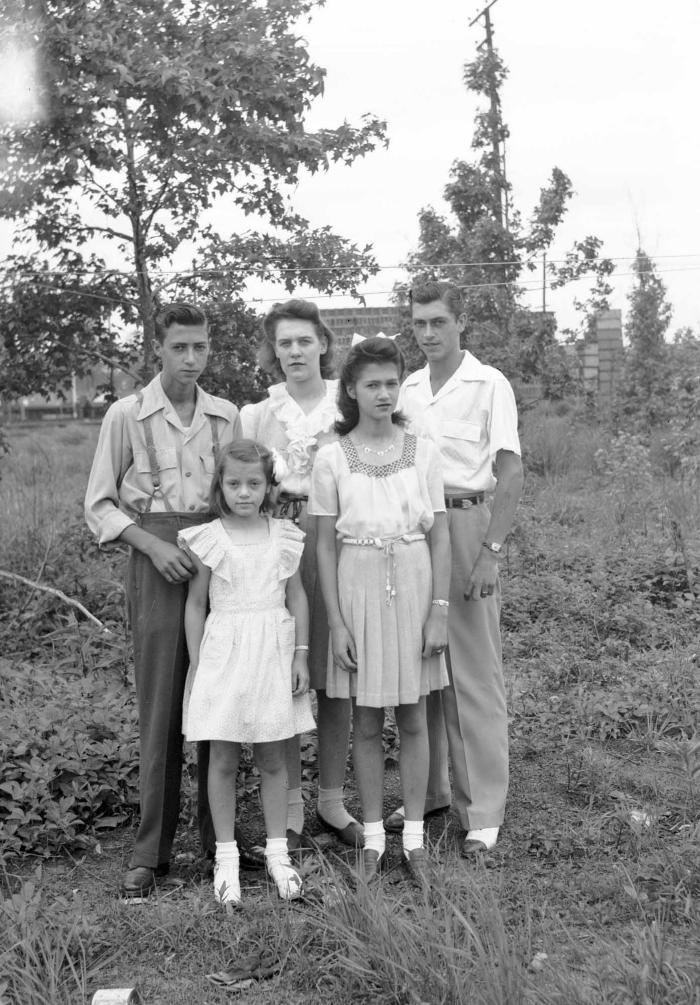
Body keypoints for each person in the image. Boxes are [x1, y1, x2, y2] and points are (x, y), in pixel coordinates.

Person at [84, 302, 242, 898]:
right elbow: (100, 504)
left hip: (215, 559)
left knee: (219, 698)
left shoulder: (226, 417)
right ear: (158, 348)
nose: (191, 359)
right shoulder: (127, 415)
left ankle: (218, 841)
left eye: (200, 347)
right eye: (180, 347)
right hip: (155, 562)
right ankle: (151, 850)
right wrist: (151, 545)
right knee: (160, 705)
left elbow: (241, 492)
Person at [385, 280, 524, 857]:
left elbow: (510, 472)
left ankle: (483, 807)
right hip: (414, 530)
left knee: (473, 670)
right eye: (419, 324)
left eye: (438, 322)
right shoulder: (408, 388)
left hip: (467, 526)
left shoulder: (489, 384)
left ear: (460, 322)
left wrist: (491, 551)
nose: (428, 334)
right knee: (423, 662)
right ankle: (435, 789)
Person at [309, 337, 451, 883]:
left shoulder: (423, 450)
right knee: (365, 719)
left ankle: (413, 837)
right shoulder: (331, 457)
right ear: (350, 390)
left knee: (413, 714)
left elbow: (439, 537)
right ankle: (371, 836)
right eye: (372, 384)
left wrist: (438, 608)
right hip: (358, 583)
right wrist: (338, 622)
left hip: (414, 579)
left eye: (392, 382)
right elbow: (324, 545)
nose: (384, 393)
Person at [241, 299, 362, 850]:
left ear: (323, 344)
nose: (294, 351)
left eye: (304, 341)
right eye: (284, 343)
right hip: (280, 544)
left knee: (337, 676)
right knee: (284, 676)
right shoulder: (257, 414)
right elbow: (241, 485)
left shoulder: (349, 402)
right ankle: (288, 806)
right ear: (274, 350)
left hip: (340, 542)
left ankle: (332, 801)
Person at [179, 440, 315, 904]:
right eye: (234, 483)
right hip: (224, 653)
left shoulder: (284, 534)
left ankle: (278, 853)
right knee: (222, 758)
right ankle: (226, 856)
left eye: (254, 483)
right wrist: (200, 666)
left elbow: (297, 596)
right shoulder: (209, 538)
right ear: (220, 486)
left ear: (267, 486)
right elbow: (197, 605)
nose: (244, 492)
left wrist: (300, 655)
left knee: (274, 758)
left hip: (273, 650)